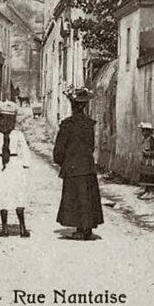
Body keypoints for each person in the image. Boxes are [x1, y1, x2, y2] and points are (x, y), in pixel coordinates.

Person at [54, 86, 103, 240]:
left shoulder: (67, 125)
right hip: (87, 166)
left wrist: (61, 161)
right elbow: (91, 146)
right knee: (87, 197)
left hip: (72, 166)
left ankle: (79, 229)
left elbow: (59, 149)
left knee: (75, 197)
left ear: (73, 106)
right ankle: (87, 229)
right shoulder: (89, 124)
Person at [0, 101, 31, 237]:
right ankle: (22, 228)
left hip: (1, 165)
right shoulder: (18, 134)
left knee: (3, 194)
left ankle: (5, 228)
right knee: (17, 194)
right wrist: (25, 163)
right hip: (15, 165)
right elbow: (25, 151)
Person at [137, 122, 154, 199]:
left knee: (151, 175)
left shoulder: (152, 139)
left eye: (144, 131)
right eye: (142, 130)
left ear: (149, 131)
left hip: (152, 161)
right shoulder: (145, 139)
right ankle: (147, 190)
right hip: (146, 160)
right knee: (145, 175)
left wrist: (148, 153)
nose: (143, 132)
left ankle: (151, 192)